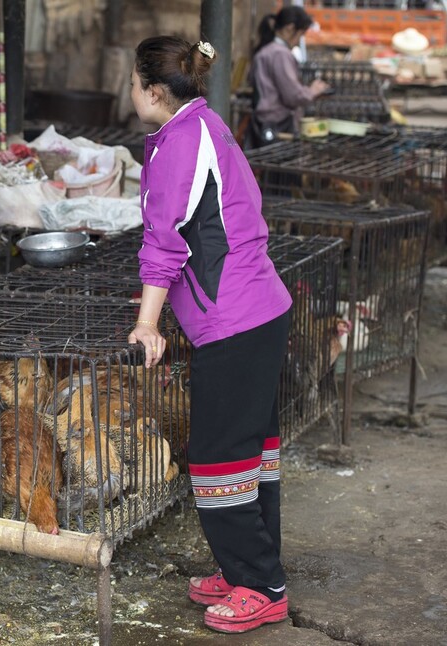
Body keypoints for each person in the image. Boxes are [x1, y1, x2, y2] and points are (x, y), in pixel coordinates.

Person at [127, 36, 293, 634]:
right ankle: (247, 567)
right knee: (251, 453)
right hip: (255, 309)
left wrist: (147, 321)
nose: (131, 92)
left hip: (237, 319)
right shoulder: (205, 124)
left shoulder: (177, 143)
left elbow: (164, 240)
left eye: (132, 82)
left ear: (152, 90)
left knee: (219, 457)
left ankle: (261, 586)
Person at [247, 6, 329, 147]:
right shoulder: (280, 54)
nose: (298, 41)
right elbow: (292, 95)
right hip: (278, 125)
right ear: (290, 29)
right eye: (300, 35)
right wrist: (313, 90)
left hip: (264, 123)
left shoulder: (264, 51)